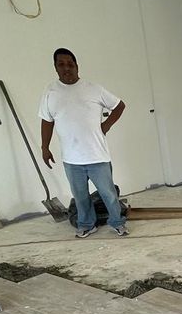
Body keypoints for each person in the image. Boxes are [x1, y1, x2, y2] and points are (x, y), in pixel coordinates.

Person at [39, 48, 129, 239]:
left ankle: (117, 223)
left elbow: (119, 106)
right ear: (55, 67)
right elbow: (47, 121)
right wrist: (44, 147)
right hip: (71, 159)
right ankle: (87, 225)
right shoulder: (50, 92)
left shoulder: (93, 89)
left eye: (70, 64)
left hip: (97, 156)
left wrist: (106, 125)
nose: (67, 68)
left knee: (108, 194)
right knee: (80, 197)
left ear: (77, 66)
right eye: (61, 64)